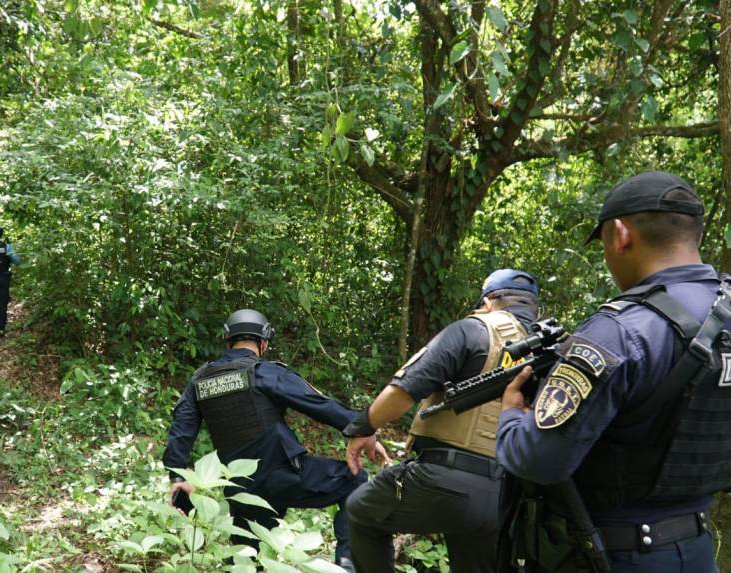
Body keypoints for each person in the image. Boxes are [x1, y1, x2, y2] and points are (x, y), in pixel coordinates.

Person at [496, 171, 723, 572]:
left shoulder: (618, 331)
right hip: (699, 551)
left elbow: (538, 459)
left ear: (620, 235)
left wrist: (512, 412)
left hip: (612, 555)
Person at [342, 269, 541, 573]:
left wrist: (363, 427)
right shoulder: (549, 350)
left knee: (360, 512)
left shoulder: (473, 330)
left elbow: (403, 390)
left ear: (488, 301)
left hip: (444, 479)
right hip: (506, 496)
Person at [163, 309, 380, 570]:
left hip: (241, 489)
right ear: (263, 343)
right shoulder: (265, 371)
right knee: (355, 480)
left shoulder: (199, 380)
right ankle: (347, 565)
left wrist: (178, 478)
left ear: (227, 341)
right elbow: (317, 404)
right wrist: (363, 426)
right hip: (285, 477)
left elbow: (181, 431)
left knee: (245, 559)